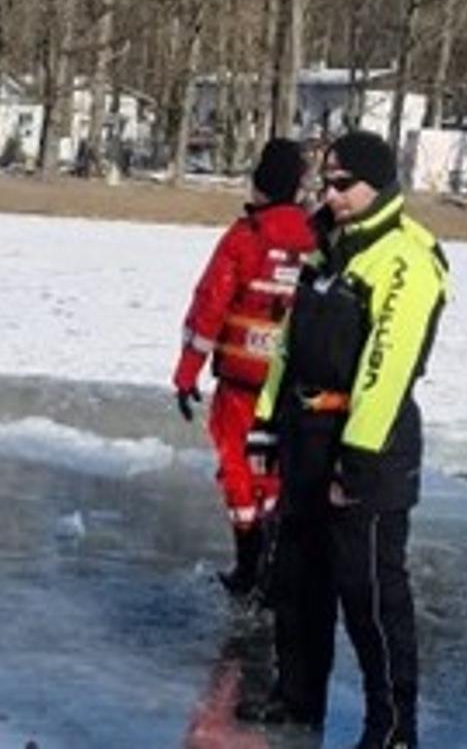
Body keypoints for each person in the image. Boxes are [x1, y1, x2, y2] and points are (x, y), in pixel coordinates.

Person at [236, 131, 449, 749]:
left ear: (377, 186)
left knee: (370, 594)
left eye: (342, 185)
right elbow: (287, 344)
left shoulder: (406, 260)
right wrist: (268, 421)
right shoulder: (325, 248)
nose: (331, 195)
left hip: (368, 449)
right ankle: (298, 696)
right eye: (324, 184)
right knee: (298, 579)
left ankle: (392, 727)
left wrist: (355, 460)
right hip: (305, 434)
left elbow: (388, 366)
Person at [173, 138, 316, 597]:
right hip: (293, 383)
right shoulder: (318, 238)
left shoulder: (246, 236)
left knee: (237, 466)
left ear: (260, 183)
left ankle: (249, 557)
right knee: (274, 468)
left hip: (241, 380)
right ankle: (275, 556)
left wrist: (186, 372)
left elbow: (210, 305)